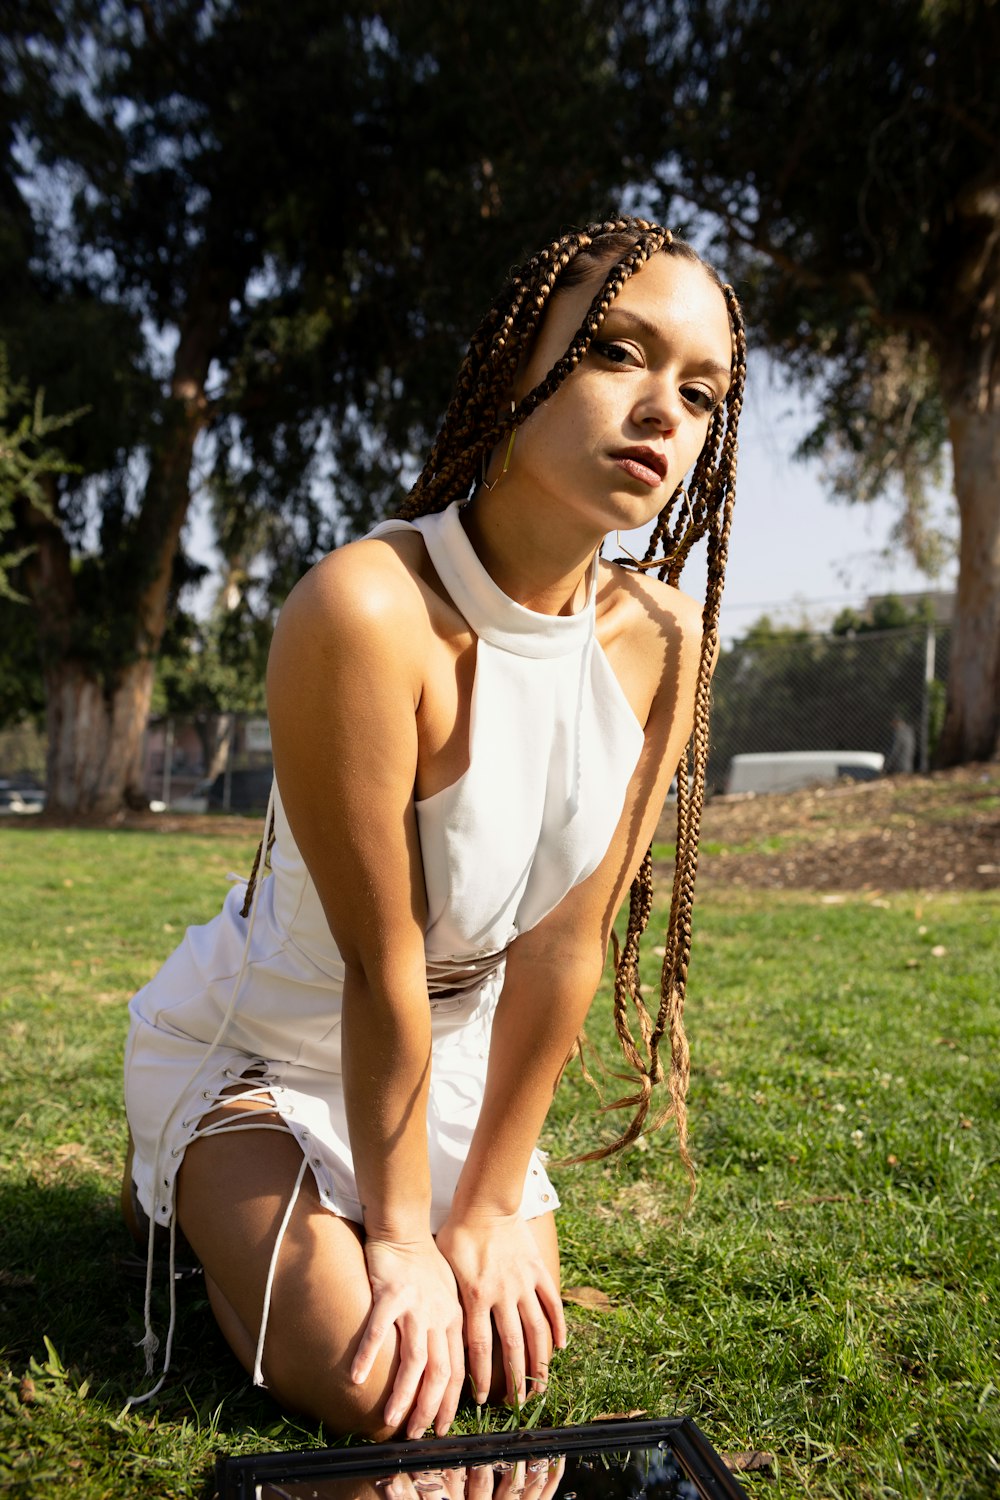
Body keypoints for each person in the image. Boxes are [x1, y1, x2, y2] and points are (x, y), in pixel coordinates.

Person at [121, 216, 746, 1443]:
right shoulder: (365, 605)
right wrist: (404, 1238)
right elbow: (381, 964)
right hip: (268, 1052)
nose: (665, 410)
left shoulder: (667, 642)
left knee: (495, 1361)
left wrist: (490, 1205)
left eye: (701, 391)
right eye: (620, 353)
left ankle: (308, 1229)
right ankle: (195, 1184)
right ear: (517, 363)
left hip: (447, 1067)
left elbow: (565, 952)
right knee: (376, 1387)